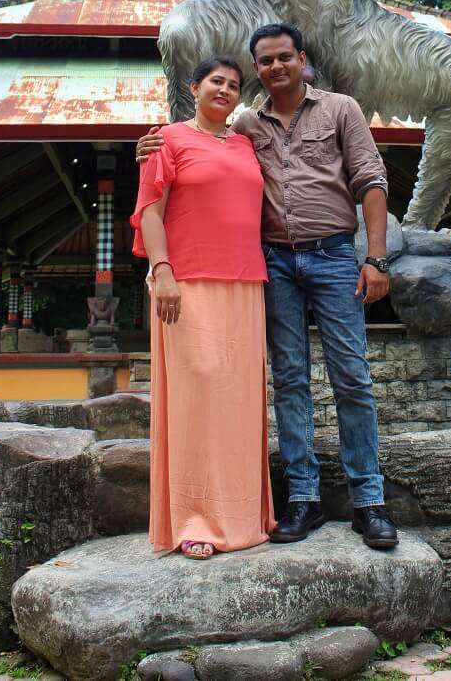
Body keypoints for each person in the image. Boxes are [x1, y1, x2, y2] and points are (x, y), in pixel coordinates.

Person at [138, 23, 399, 550]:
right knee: (290, 379)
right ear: (256, 69)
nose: (276, 67)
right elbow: (192, 148)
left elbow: (372, 181)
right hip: (274, 262)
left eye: (285, 57)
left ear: (302, 59)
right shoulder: (248, 124)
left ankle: (369, 501)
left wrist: (375, 258)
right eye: (265, 61)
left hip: (330, 257)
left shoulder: (340, 109)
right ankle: (302, 499)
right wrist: (152, 143)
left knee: (352, 376)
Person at [131, 55, 275, 559]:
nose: (226, 91)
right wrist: (162, 270)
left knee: (240, 400)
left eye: (235, 85)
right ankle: (195, 520)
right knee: (198, 396)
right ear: (193, 87)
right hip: (186, 282)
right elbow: (149, 211)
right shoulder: (166, 140)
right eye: (217, 81)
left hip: (246, 282)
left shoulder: (246, 143)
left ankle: (243, 517)